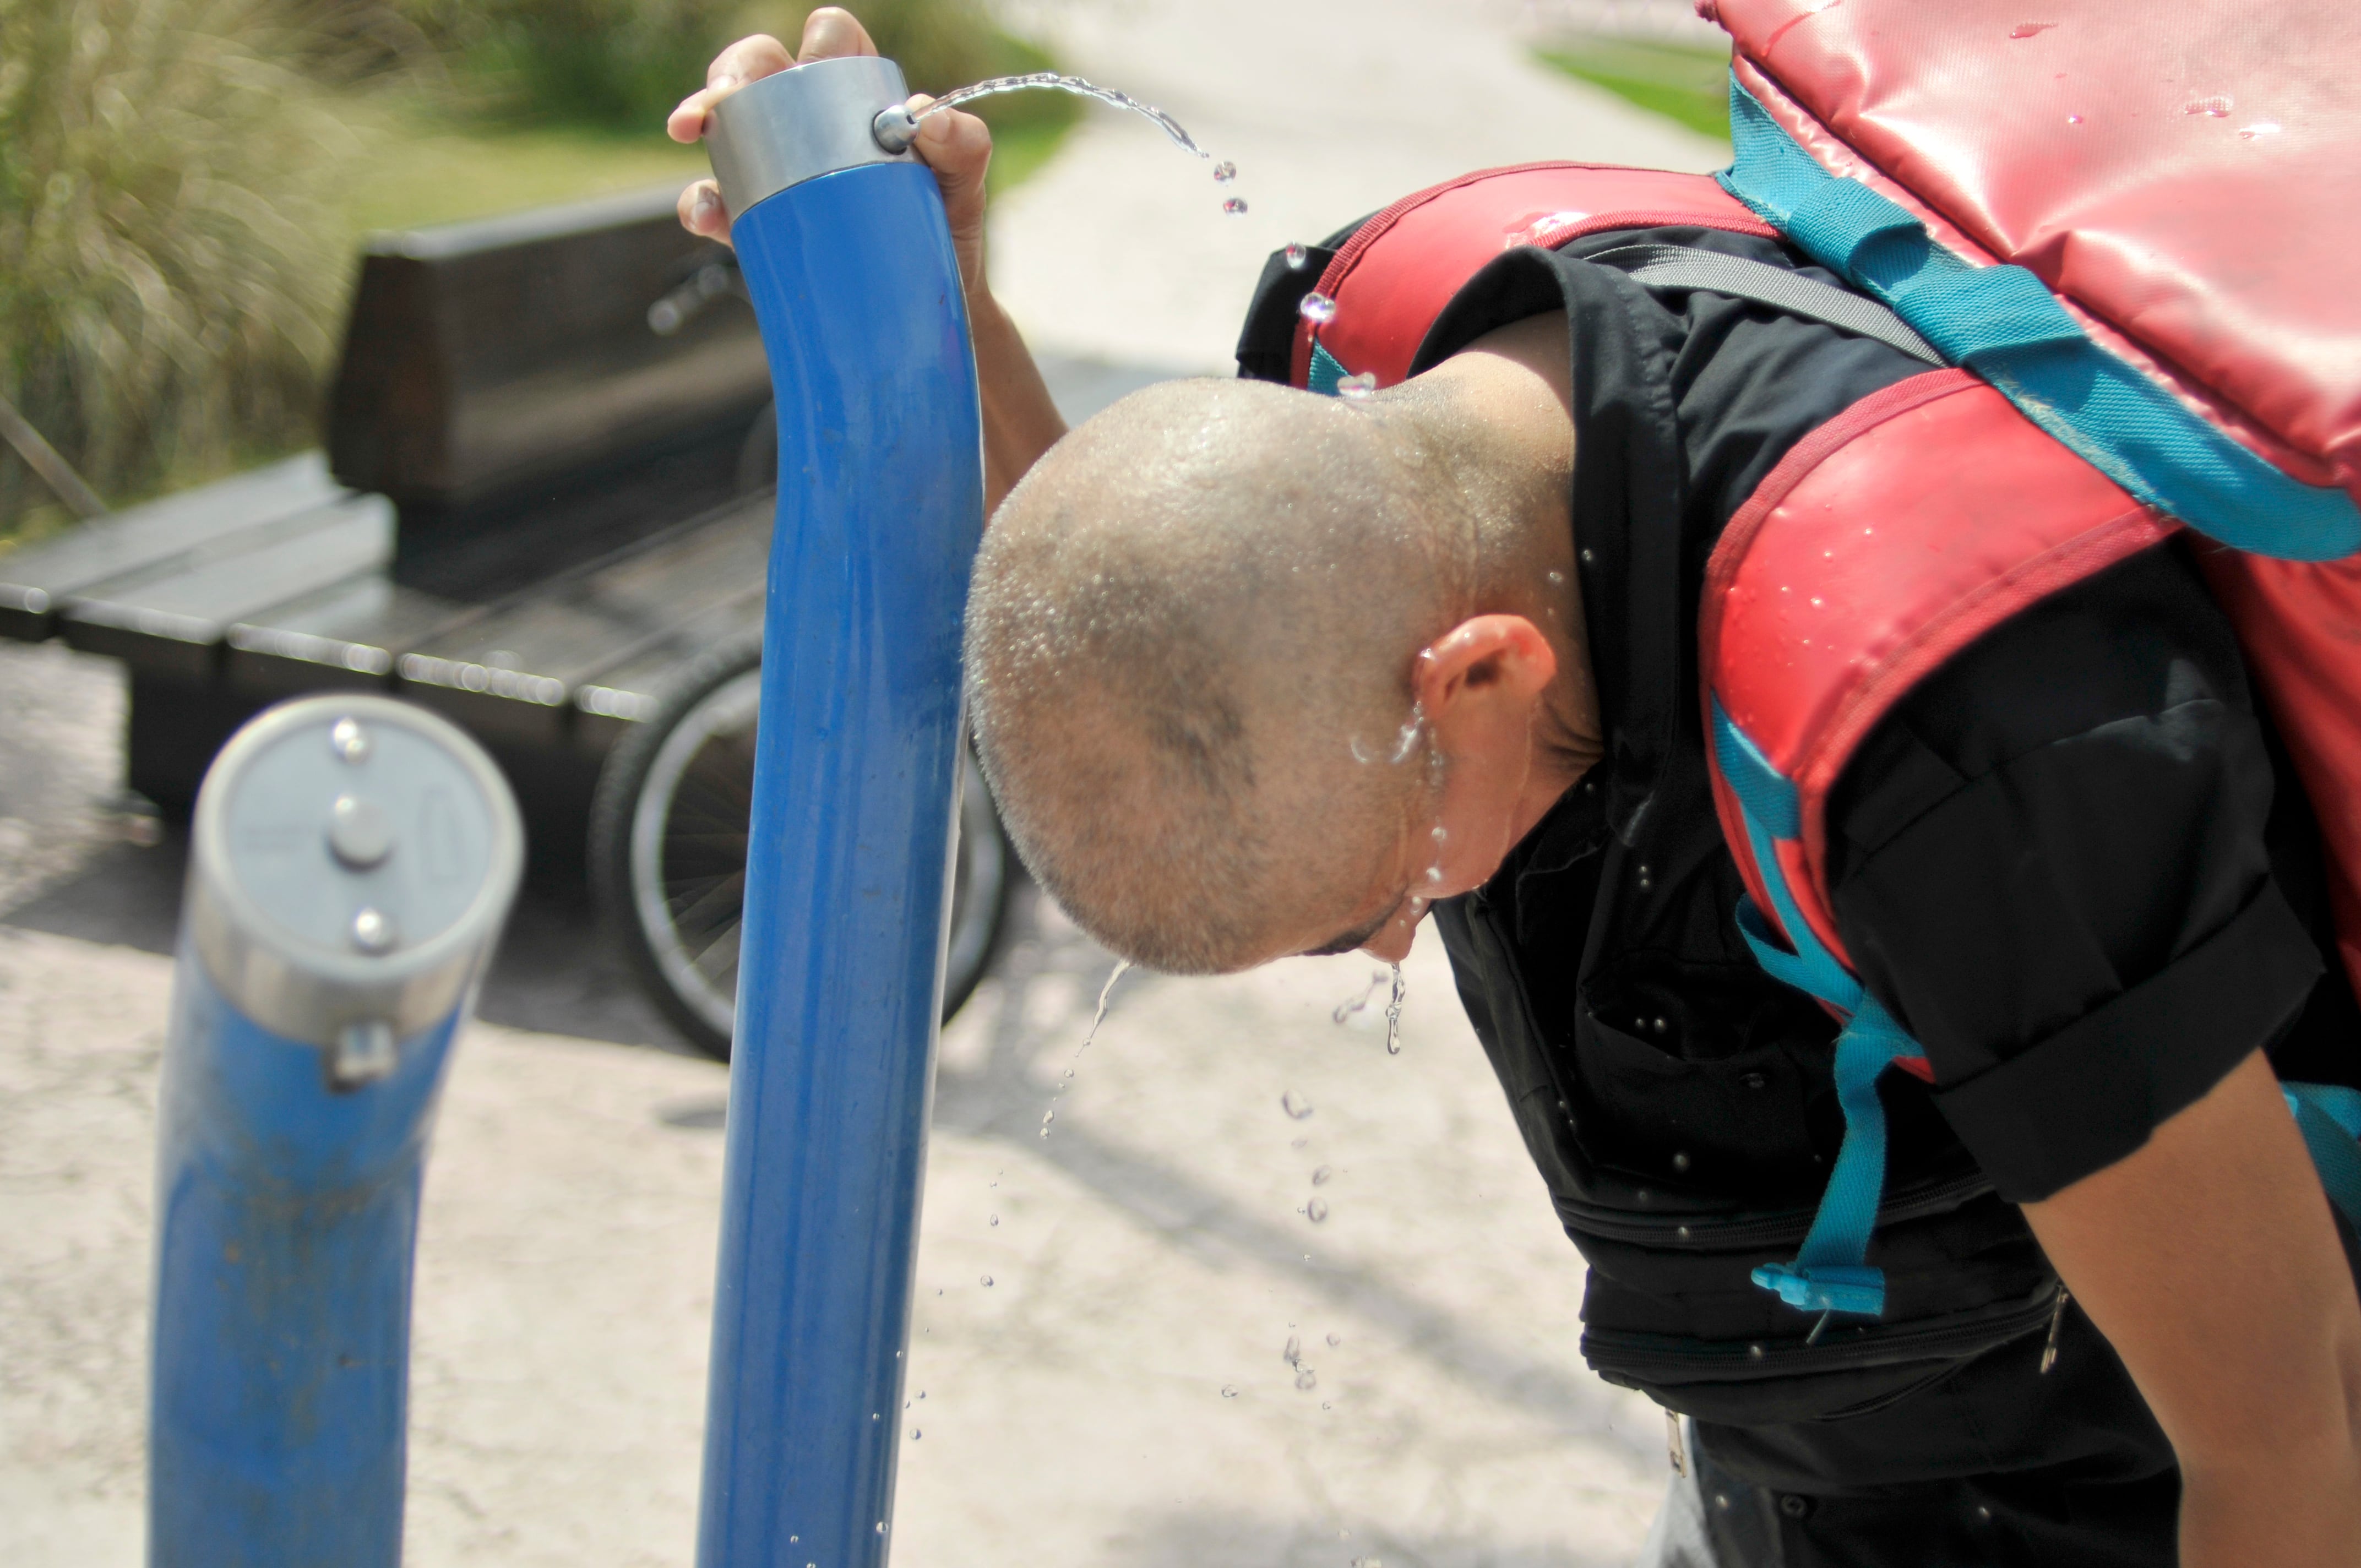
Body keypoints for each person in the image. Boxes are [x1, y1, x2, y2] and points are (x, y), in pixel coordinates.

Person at [671, 13, 2361, 1564]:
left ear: (1481, 675)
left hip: (2106, 1486)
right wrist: (933, 320)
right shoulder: (1381, 391)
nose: (1406, 940)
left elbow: (2291, 1430)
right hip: (1816, 1442)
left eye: (1373, 902)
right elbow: (1186, 641)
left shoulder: (1973, 756)